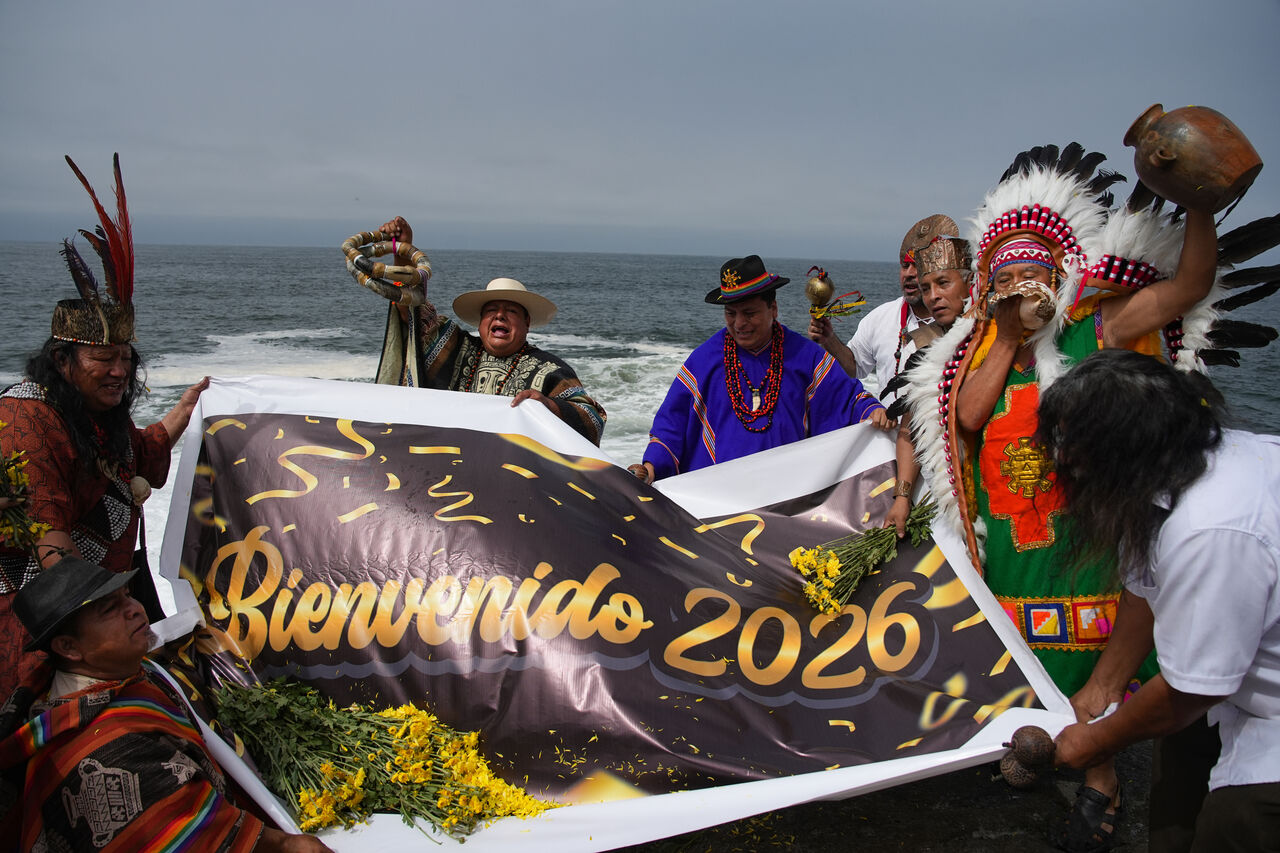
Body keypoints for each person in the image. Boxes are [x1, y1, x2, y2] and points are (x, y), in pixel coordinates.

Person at [910, 144, 1220, 852]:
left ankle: (1100, 774)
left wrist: (1200, 204)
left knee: (1089, 664)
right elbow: (967, 417)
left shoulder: (1096, 328)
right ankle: (1042, 745)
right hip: (1013, 540)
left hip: (1083, 537)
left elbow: (1190, 285)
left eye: (1033, 273)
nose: (1021, 285)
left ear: (1058, 274)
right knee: (1021, 656)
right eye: (1006, 276)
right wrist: (1006, 336)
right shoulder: (984, 345)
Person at [1040, 350, 1279, 853]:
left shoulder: (1211, 527)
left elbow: (1190, 691)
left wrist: (1096, 741)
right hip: (1225, 690)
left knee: (1236, 825)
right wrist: (1103, 686)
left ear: (1125, 446)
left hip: (1262, 708)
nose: (1063, 461)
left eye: (1074, 446)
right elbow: (1144, 586)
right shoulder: (1170, 468)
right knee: (1174, 802)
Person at [0, 155, 208, 700]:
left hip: (104, 608)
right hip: (52, 621)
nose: (118, 371)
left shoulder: (94, 416)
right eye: (102, 358)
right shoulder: (26, 421)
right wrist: (103, 634)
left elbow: (142, 454)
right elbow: (49, 541)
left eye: (125, 358)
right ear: (63, 360)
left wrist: (187, 409)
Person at [0, 556, 332, 852]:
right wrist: (287, 844)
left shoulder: (123, 673)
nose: (135, 608)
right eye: (110, 609)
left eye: (127, 595)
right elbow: (190, 838)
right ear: (69, 648)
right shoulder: (107, 750)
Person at [630, 255, 888, 483]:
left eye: (749, 313)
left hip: (789, 494)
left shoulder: (805, 356)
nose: (739, 323)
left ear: (773, 309)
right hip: (718, 497)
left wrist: (872, 411)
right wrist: (652, 467)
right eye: (731, 313)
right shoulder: (704, 361)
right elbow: (672, 424)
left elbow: (847, 400)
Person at [368, 216, 606, 445]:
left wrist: (549, 406)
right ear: (481, 322)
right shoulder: (455, 348)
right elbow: (410, 311)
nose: (500, 315)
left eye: (511, 311)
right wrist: (402, 251)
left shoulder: (550, 369)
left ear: (527, 323)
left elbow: (593, 420)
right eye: (492, 310)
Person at [808, 214, 956, 402]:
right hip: (889, 421)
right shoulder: (881, 318)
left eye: (917, 266)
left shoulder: (960, 322)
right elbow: (854, 368)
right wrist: (829, 339)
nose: (909, 274)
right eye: (905, 266)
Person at [882, 234, 972, 536]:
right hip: (945, 496)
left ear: (969, 282)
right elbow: (910, 431)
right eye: (925, 288)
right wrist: (902, 498)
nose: (933, 296)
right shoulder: (922, 349)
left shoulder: (999, 337)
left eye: (943, 284)